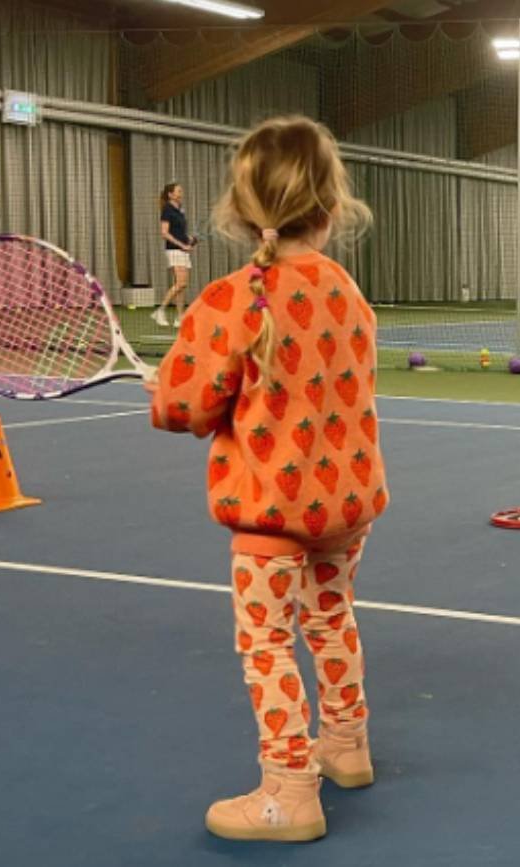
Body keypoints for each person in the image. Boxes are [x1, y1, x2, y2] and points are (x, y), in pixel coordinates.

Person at [146, 116, 381, 843]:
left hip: (269, 518)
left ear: (242, 211)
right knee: (330, 615)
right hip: (344, 506)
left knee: (268, 643)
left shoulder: (230, 300)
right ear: (331, 206)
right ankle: (345, 744)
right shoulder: (345, 288)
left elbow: (182, 405)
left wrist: (169, 393)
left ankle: (289, 789)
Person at [155, 182, 196, 328]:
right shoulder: (167, 210)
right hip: (174, 250)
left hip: (182, 250)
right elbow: (164, 233)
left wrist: (189, 239)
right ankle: (160, 311)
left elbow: (178, 232)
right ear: (170, 194)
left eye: (181, 191)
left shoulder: (180, 210)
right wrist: (182, 245)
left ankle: (180, 318)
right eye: (178, 191)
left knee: (182, 286)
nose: (181, 193)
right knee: (181, 283)